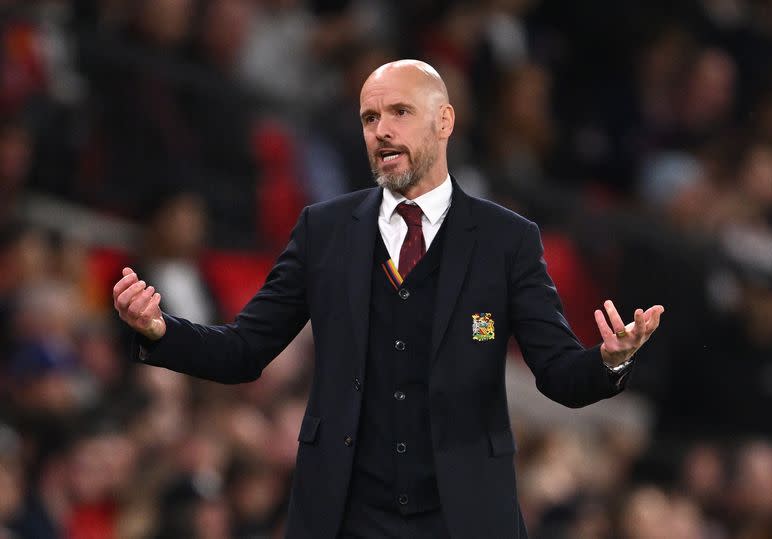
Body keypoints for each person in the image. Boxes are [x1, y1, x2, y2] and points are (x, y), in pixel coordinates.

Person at [113, 59, 664, 539]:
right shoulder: (322, 230)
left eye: (399, 112)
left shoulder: (506, 240)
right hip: (345, 514)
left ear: (444, 121)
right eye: (369, 118)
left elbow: (558, 373)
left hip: (463, 516)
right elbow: (244, 351)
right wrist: (161, 331)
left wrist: (609, 360)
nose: (381, 130)